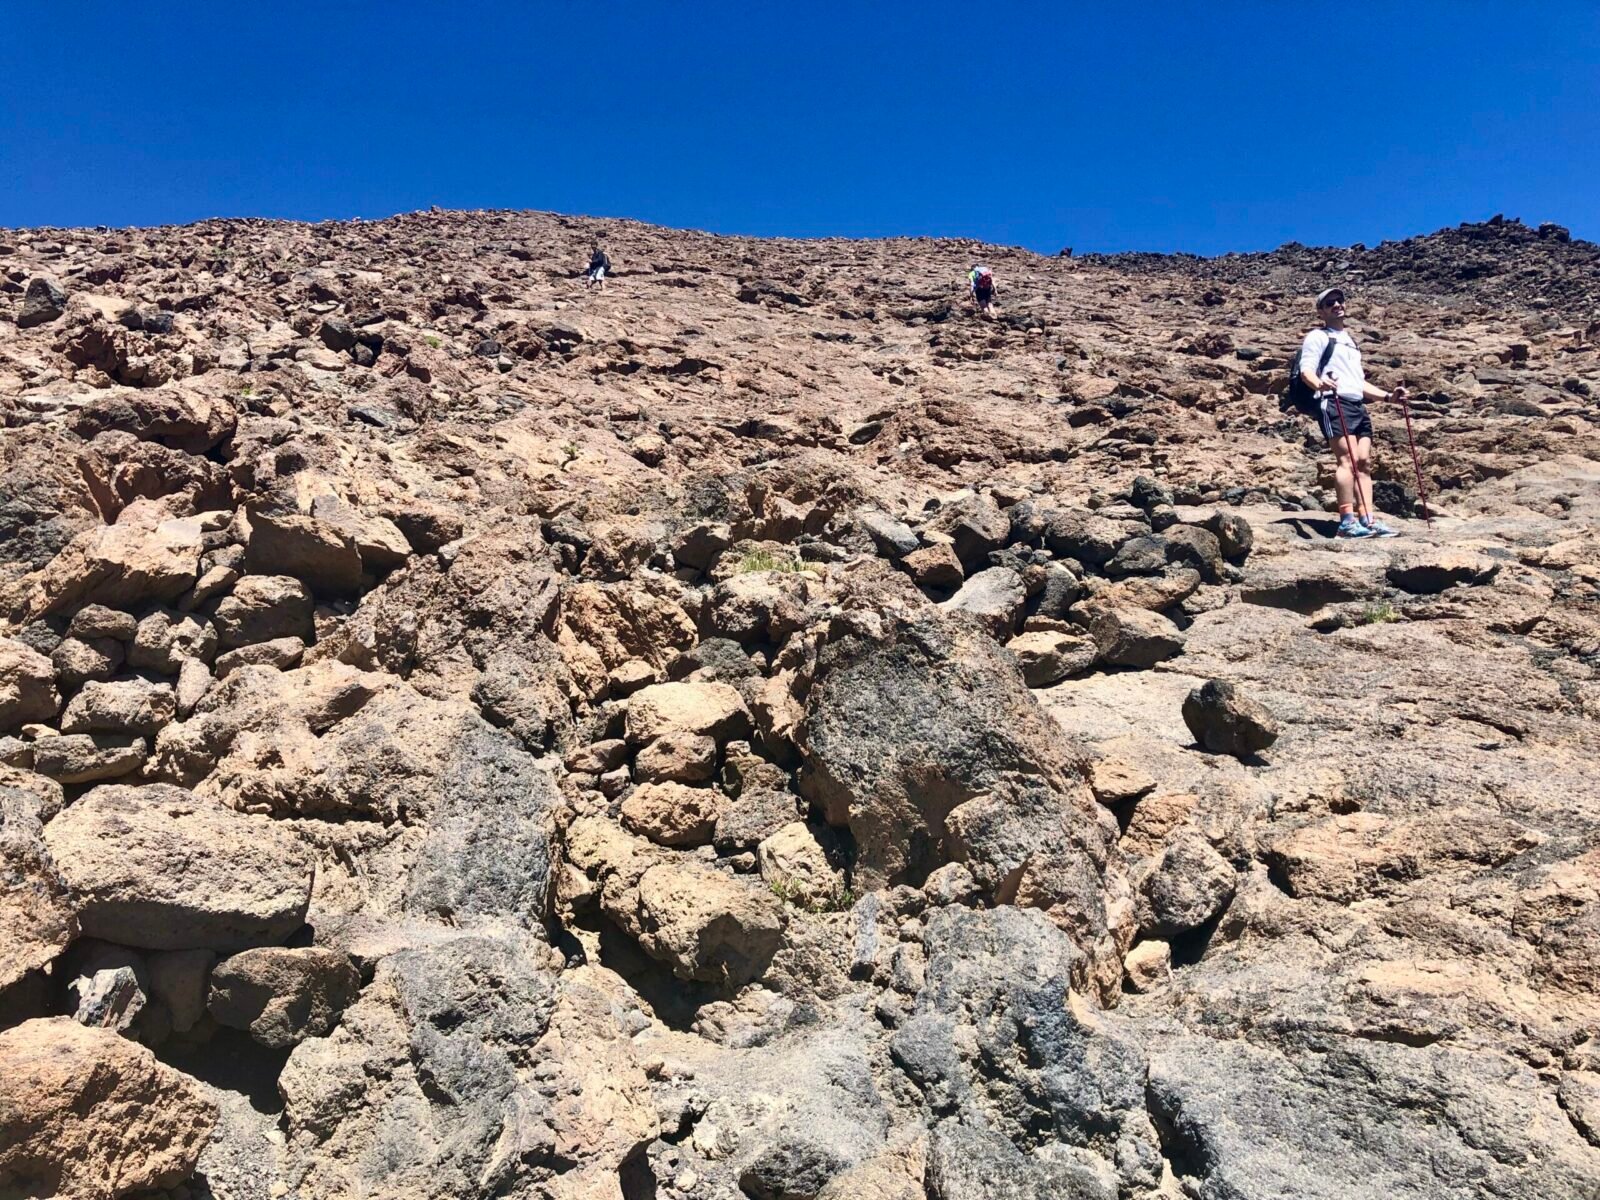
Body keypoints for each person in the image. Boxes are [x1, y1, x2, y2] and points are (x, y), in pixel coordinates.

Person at [1299, 287, 1407, 538]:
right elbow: (1307, 371)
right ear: (1321, 311)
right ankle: (1347, 522)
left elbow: (1359, 382)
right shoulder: (1318, 336)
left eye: (1339, 300)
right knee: (1346, 460)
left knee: (1364, 462)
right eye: (1329, 303)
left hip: (1357, 405)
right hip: (1333, 402)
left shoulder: (1350, 341)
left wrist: (1389, 397)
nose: (1336, 305)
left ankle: (1368, 519)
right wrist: (1319, 385)